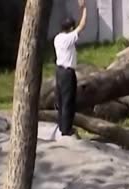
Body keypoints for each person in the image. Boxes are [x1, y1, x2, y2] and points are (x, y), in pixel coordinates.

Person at [53, 0, 87, 139]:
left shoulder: (57, 38)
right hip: (67, 73)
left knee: (61, 100)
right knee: (68, 100)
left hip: (59, 71)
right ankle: (66, 129)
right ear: (70, 28)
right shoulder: (68, 39)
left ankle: (62, 125)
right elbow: (82, 25)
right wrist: (84, 8)